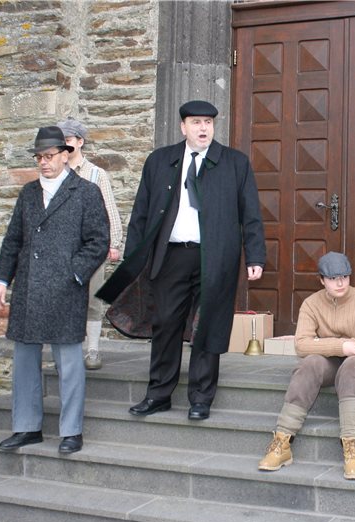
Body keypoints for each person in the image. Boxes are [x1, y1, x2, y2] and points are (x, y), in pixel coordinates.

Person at [97, 100, 266, 422]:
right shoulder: (160, 161)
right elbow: (141, 214)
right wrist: (133, 259)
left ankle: (201, 398)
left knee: (208, 326)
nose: (203, 128)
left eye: (208, 123)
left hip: (215, 258)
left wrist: (255, 255)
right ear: (183, 127)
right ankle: (158, 394)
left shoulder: (234, 163)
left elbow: (251, 215)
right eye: (196, 122)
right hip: (171, 255)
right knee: (166, 325)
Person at [0, 126, 109, 455]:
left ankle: (71, 430)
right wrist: (2, 279)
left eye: (49, 156)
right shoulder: (28, 193)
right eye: (39, 157)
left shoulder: (85, 192)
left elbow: (98, 241)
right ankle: (27, 427)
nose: (43, 163)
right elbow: (13, 239)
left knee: (69, 362)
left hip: (65, 289)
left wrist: (74, 275)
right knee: (25, 360)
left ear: (65, 155)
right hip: (29, 287)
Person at [258, 252, 355, 479]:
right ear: (321, 280)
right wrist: (342, 346)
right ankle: (282, 442)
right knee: (309, 365)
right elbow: (302, 346)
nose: (340, 283)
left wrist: (323, 344)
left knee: (352, 366)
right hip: (333, 360)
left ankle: (352, 450)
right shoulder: (311, 304)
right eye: (333, 278)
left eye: (345, 277)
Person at [56, 117, 123, 370]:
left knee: (93, 300)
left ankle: (93, 350)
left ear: (79, 142)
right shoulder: (55, 174)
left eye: (68, 140)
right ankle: (68, 350)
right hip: (63, 249)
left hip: (92, 248)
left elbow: (109, 209)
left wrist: (113, 242)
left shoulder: (96, 174)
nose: (63, 145)